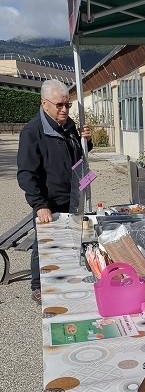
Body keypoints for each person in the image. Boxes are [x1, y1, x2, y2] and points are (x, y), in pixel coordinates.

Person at [17, 79, 92, 305]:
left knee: (71, 239)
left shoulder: (68, 126)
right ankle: (38, 285)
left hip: (73, 196)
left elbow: (79, 156)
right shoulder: (32, 131)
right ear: (44, 103)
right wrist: (39, 204)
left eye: (67, 105)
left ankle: (66, 277)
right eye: (59, 105)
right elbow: (26, 173)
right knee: (44, 244)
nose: (64, 110)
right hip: (48, 202)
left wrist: (86, 141)